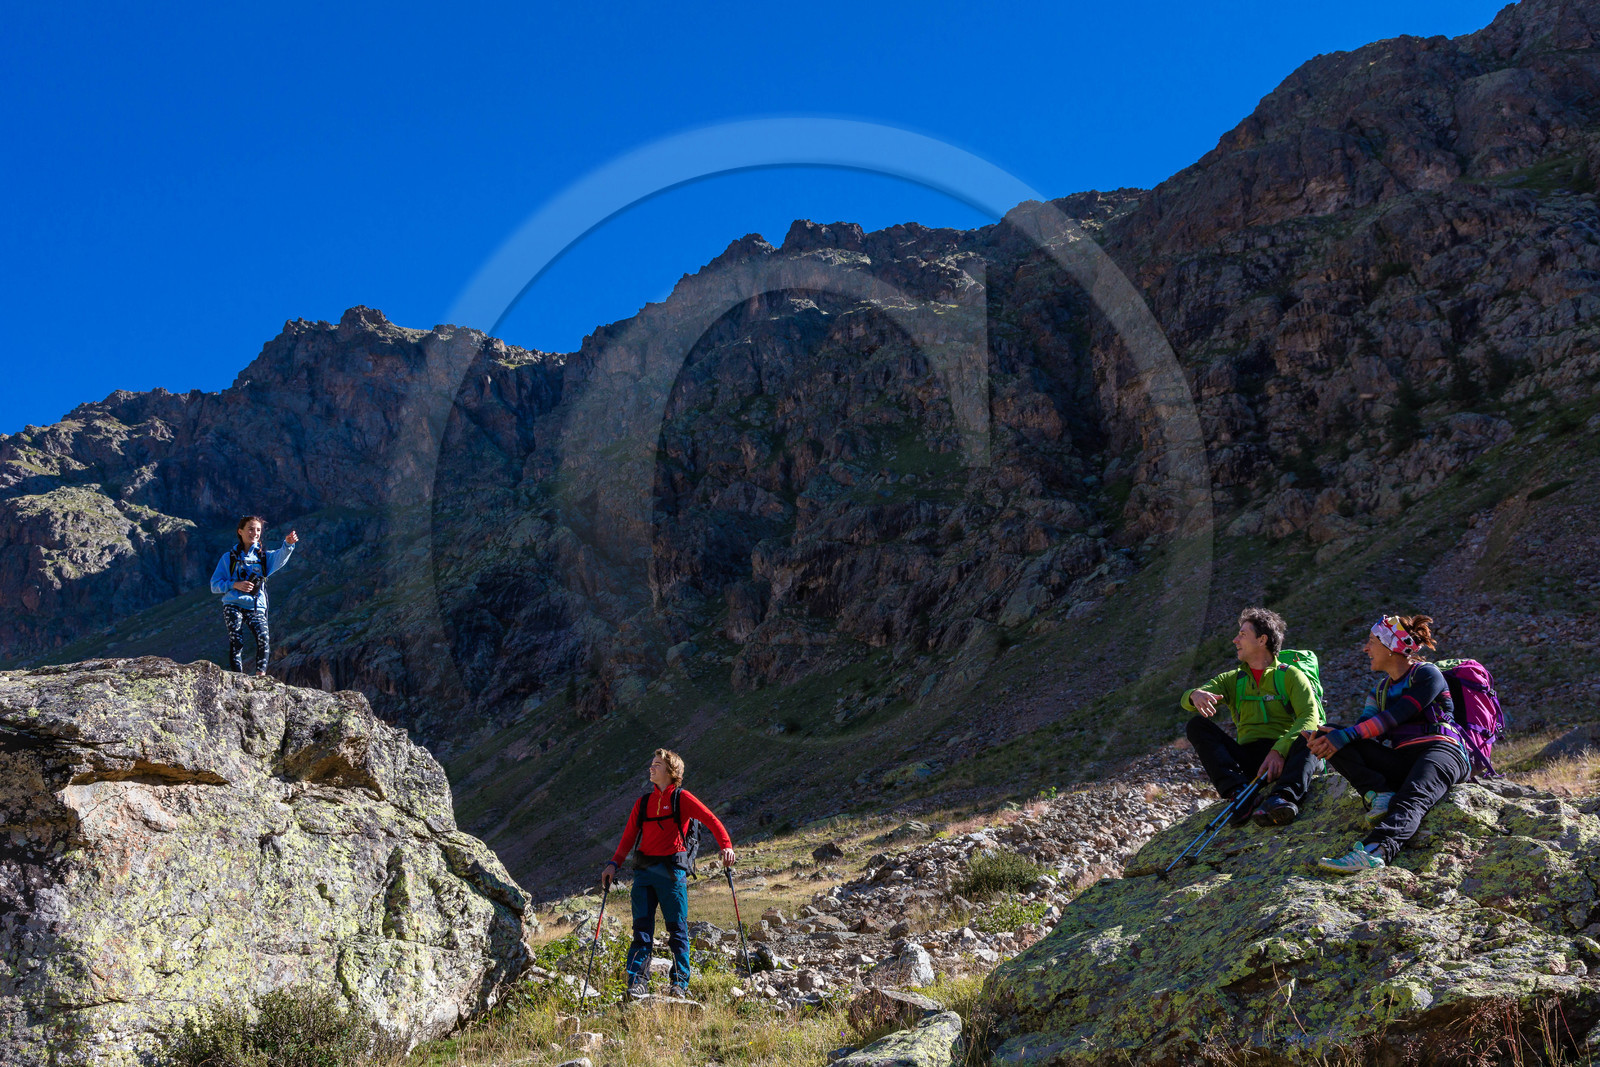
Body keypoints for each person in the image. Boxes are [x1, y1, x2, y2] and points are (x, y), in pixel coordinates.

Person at [1308, 615, 1470, 873]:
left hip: (1441, 751)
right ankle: (1379, 792)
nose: (1366, 648)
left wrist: (1346, 737)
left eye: (1372, 641)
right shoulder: (1380, 690)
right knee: (1333, 733)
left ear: (1392, 646)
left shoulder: (1428, 674)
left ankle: (1376, 851)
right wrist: (1326, 738)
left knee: (1412, 799)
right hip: (1403, 758)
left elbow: (1394, 717)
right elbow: (1362, 729)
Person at [601, 748, 736, 998]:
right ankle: (638, 983)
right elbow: (628, 837)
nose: (651, 768)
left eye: (657, 765)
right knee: (641, 931)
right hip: (643, 874)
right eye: (652, 764)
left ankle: (679, 984)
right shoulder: (643, 802)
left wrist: (726, 846)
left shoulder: (682, 798)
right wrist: (613, 864)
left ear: (671, 771)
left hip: (672, 874)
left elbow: (711, 819)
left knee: (677, 930)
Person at [1181, 607, 1324, 827]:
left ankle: (1284, 797)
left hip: (1285, 756)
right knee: (1197, 725)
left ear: (1262, 640)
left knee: (1314, 734)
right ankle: (1239, 792)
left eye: (1243, 634)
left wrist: (1279, 751)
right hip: (1250, 761)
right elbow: (1186, 701)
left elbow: (1309, 717)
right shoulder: (1232, 680)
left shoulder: (1290, 676)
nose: (1235, 640)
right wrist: (1195, 695)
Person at [208, 515, 298, 676]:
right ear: (240, 531)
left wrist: (288, 545)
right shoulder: (228, 558)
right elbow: (215, 585)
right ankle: (238, 677)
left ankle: (260, 677)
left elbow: (281, 557)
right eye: (250, 529)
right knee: (237, 640)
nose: (254, 533)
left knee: (263, 638)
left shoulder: (264, 557)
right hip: (233, 604)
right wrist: (235, 585)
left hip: (257, 606)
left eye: (258, 530)